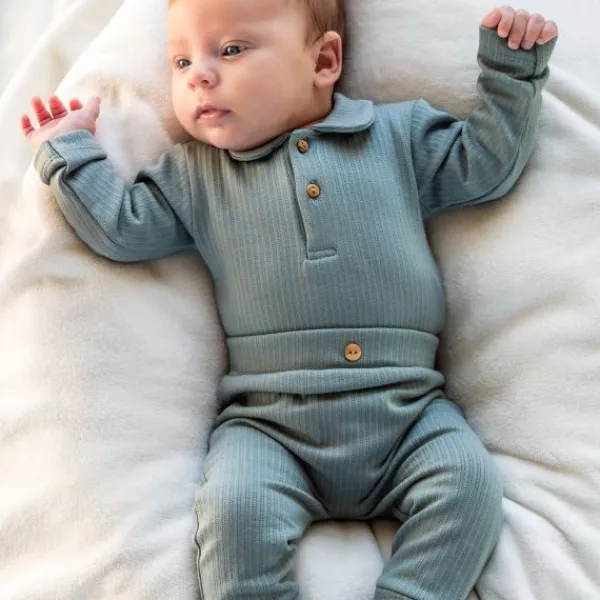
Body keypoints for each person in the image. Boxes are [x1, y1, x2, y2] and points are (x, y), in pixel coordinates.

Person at [21, 1, 558, 598]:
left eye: (230, 50)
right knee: (235, 515)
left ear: (323, 61)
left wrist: (512, 75)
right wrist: (70, 152)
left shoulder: (395, 136)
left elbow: (483, 165)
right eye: (181, 61)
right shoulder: (195, 176)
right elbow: (124, 228)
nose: (198, 75)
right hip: (271, 424)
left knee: (468, 490)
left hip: (409, 410)